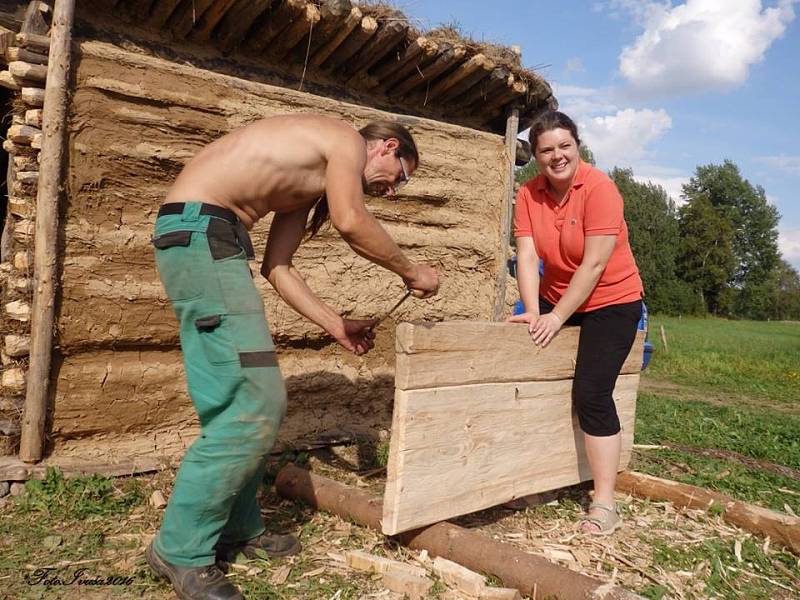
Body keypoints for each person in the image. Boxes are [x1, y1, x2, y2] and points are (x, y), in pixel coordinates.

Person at [146, 114, 439, 600]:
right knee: (253, 402)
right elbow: (351, 220)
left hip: (203, 238)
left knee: (244, 396)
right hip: (202, 234)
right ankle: (180, 549)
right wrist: (411, 271)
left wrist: (337, 326)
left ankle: (237, 528)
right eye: (400, 177)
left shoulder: (303, 187)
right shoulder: (345, 140)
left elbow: (277, 267)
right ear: (387, 147)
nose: (392, 191)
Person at [509, 111, 643, 535]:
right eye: (546, 149)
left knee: (591, 392)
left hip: (610, 298)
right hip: (554, 294)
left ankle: (604, 503)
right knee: (528, 367)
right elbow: (527, 256)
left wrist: (558, 317)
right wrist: (532, 310)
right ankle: (540, 471)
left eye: (564, 146)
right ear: (536, 155)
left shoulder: (600, 188)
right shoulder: (529, 194)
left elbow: (595, 263)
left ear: (577, 146)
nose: (557, 156)